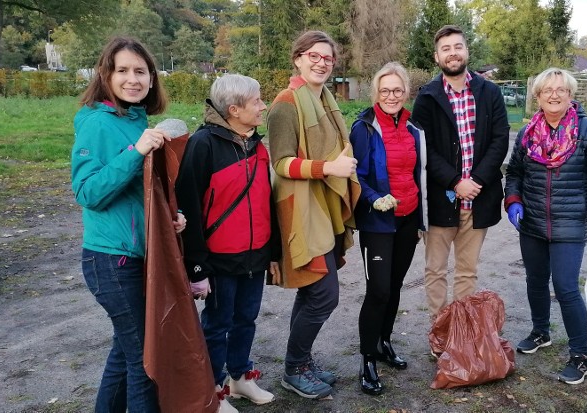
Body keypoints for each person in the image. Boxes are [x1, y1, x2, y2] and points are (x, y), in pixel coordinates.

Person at [71, 36, 184, 413]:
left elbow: (139, 194)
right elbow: (88, 192)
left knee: (125, 352)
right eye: (123, 71)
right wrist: (135, 151)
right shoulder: (97, 124)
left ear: (152, 78)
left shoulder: (136, 120)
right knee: (145, 361)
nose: (132, 79)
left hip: (137, 256)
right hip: (111, 261)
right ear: (106, 75)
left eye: (141, 71)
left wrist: (170, 218)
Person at [504, 67, 587, 385]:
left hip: (569, 224)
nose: (554, 94)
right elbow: (515, 172)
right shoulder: (527, 133)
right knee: (535, 280)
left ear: (571, 94)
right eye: (547, 90)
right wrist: (514, 200)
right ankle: (540, 332)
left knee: (565, 287)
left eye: (561, 89)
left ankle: (580, 355)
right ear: (537, 97)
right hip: (531, 221)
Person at [174, 74, 280, 411]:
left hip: (255, 254)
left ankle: (240, 378)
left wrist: (273, 252)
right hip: (219, 258)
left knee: (246, 318)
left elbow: (267, 202)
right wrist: (197, 267)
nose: (263, 106)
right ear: (234, 109)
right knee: (217, 324)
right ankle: (213, 389)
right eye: (257, 101)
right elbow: (188, 207)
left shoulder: (257, 145)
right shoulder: (203, 145)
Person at [266, 30, 360, 400]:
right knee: (324, 295)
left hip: (325, 206)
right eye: (314, 56)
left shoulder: (325, 100)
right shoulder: (286, 103)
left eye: (328, 58)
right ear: (298, 58)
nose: (321, 62)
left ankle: (300, 363)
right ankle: (294, 367)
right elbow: (281, 163)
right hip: (302, 210)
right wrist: (328, 169)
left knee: (312, 291)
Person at [411, 25, 510, 323]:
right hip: (441, 200)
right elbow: (423, 148)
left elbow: (500, 139)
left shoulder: (489, 92)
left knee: (467, 271)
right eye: (446, 49)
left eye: (457, 47)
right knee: (436, 270)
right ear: (437, 56)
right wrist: (456, 181)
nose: (452, 53)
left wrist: (476, 181)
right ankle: (440, 333)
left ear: (466, 50)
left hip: (478, 199)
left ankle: (462, 337)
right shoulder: (427, 97)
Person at [349, 62, 426, 395]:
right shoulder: (364, 128)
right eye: (385, 90)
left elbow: (419, 174)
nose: (391, 96)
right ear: (375, 93)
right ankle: (367, 359)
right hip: (378, 221)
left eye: (397, 90)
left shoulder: (414, 130)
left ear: (405, 91)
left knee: (394, 288)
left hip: (407, 219)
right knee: (378, 291)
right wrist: (374, 198)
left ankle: (383, 343)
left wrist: (422, 220)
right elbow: (355, 176)